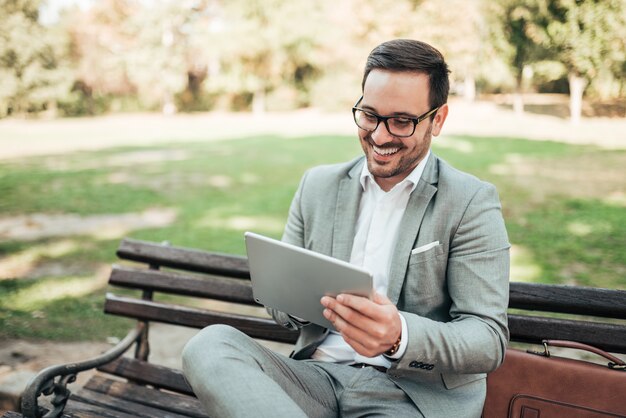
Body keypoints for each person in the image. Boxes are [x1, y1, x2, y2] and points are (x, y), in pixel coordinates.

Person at [182, 39, 510, 418]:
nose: (380, 136)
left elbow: (488, 338)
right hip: (316, 378)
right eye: (369, 115)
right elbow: (281, 307)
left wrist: (400, 336)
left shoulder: (471, 201)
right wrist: (301, 302)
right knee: (210, 345)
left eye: (402, 121)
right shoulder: (317, 186)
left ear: (438, 120)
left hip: (410, 396)